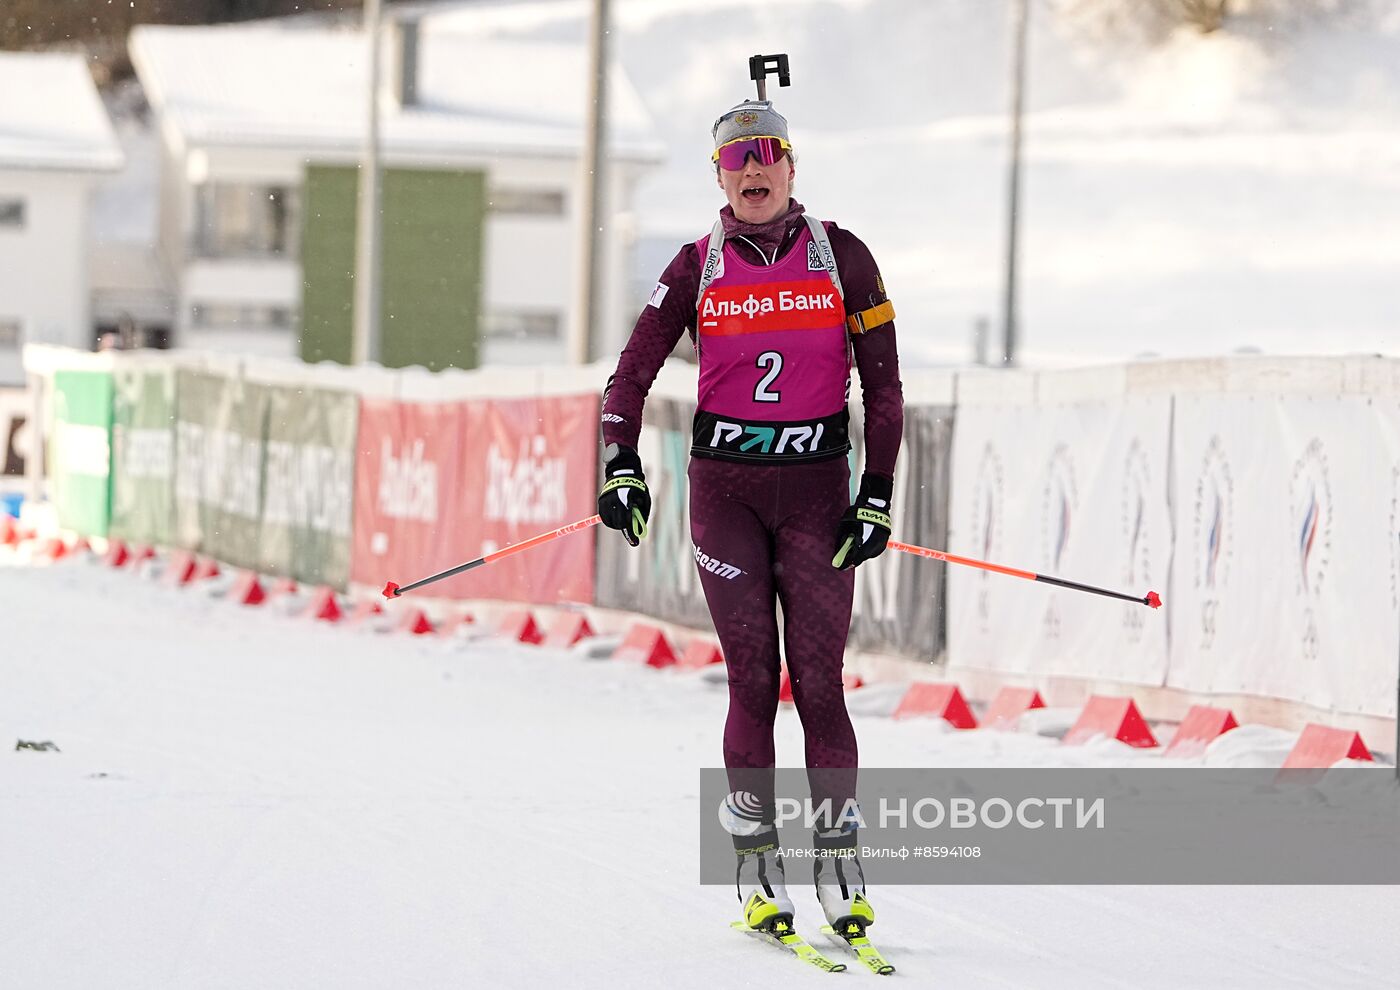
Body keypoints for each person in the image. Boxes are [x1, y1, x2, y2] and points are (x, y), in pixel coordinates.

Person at [596, 97, 904, 935]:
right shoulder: (696, 266)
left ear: (793, 166)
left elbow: (884, 388)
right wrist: (621, 465)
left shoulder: (844, 258)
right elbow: (628, 377)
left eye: (769, 153)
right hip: (725, 494)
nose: (755, 169)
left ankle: (840, 868)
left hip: (815, 493)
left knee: (821, 684)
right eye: (739, 159)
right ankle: (759, 866)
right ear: (721, 178)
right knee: (752, 682)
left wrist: (875, 491)